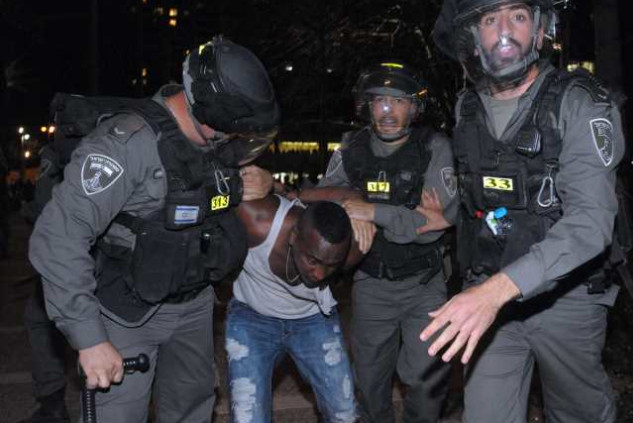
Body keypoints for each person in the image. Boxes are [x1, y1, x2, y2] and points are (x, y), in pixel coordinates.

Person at [28, 36, 280, 423]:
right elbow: (59, 236)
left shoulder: (214, 140)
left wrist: (261, 183)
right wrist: (89, 337)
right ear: (211, 118)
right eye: (235, 132)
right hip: (127, 312)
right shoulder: (126, 146)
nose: (237, 142)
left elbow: (210, 198)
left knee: (193, 411)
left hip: (194, 305)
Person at [421, 1, 625, 421]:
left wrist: (497, 290)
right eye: (489, 19)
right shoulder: (466, 109)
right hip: (488, 290)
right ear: (474, 37)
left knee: (578, 414)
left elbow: (590, 222)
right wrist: (444, 218)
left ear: (539, 30)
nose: (504, 30)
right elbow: (482, 196)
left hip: (566, 298)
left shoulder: (579, 102)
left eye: (517, 16)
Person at [305, 61, 458, 423]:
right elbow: (319, 202)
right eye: (379, 101)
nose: (388, 111)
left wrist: (372, 212)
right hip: (371, 283)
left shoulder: (433, 147)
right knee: (369, 383)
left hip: (425, 285)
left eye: (399, 101)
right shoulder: (351, 148)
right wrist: (350, 204)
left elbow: (435, 225)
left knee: (426, 381)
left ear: (414, 108)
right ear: (367, 106)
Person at [227, 196, 364, 423]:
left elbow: (359, 194)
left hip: (314, 317)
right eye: (313, 260)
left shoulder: (354, 247)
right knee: (247, 417)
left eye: (331, 265)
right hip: (252, 317)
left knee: (344, 413)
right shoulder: (258, 221)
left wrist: (367, 212)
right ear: (293, 237)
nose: (320, 274)